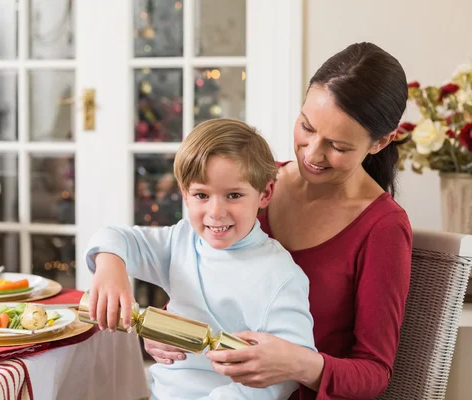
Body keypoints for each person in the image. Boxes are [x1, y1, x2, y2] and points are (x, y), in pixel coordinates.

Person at [143, 42, 413, 399]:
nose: (313, 153)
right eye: (306, 127)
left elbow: (373, 373)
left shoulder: (382, 228)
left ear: (380, 142)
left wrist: (297, 364)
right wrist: (164, 330)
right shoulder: (252, 188)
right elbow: (206, 278)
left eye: (339, 146)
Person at [85, 118, 317, 399]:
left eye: (233, 195)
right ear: (185, 195)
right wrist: (110, 268)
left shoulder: (280, 274)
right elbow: (114, 237)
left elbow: (284, 375)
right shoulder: (181, 241)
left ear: (264, 193)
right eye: (201, 195)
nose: (216, 212)